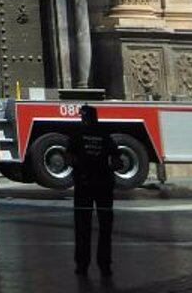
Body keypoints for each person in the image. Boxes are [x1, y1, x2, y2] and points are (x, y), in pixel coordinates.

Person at [68, 103, 116, 275]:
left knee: (82, 227)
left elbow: (70, 159)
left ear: (85, 118)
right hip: (103, 185)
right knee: (105, 227)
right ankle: (105, 264)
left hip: (84, 186)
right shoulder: (105, 136)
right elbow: (117, 160)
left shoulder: (76, 136)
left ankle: (82, 264)